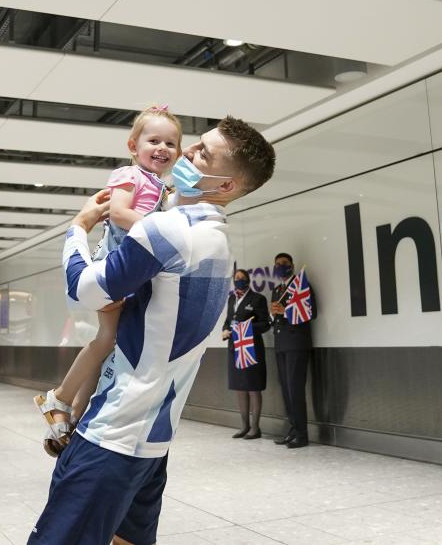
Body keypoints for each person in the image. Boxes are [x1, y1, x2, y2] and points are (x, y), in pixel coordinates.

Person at [29, 116, 275, 545]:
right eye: (196, 145)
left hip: (112, 437)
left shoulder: (168, 230)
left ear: (226, 186)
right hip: (153, 441)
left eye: (204, 154)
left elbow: (85, 288)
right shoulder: (216, 241)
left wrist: (78, 227)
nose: (187, 153)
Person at [34, 105, 181, 457]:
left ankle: (73, 420)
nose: (162, 147)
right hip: (115, 268)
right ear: (134, 146)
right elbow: (118, 213)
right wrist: (160, 228)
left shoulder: (162, 186)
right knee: (106, 338)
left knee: (111, 342)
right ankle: (60, 398)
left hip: (132, 270)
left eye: (171, 143)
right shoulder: (130, 175)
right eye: (154, 140)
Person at [269, 253, 314, 449]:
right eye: (277, 264)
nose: (281, 266)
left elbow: (310, 312)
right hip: (281, 344)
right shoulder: (277, 289)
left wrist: (284, 311)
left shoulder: (301, 286)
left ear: (292, 265)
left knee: (295, 391)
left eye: (284, 263)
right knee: (286, 391)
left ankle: (302, 435)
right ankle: (293, 429)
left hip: (296, 343)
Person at [221, 269, 271, 440]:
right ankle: (244, 426)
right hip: (235, 349)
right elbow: (228, 321)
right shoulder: (232, 299)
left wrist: (245, 328)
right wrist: (225, 330)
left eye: (242, 278)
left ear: (249, 280)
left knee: (253, 387)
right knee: (240, 388)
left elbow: (265, 324)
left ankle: (255, 428)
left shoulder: (258, 299)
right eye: (237, 279)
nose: (239, 281)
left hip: (251, 349)